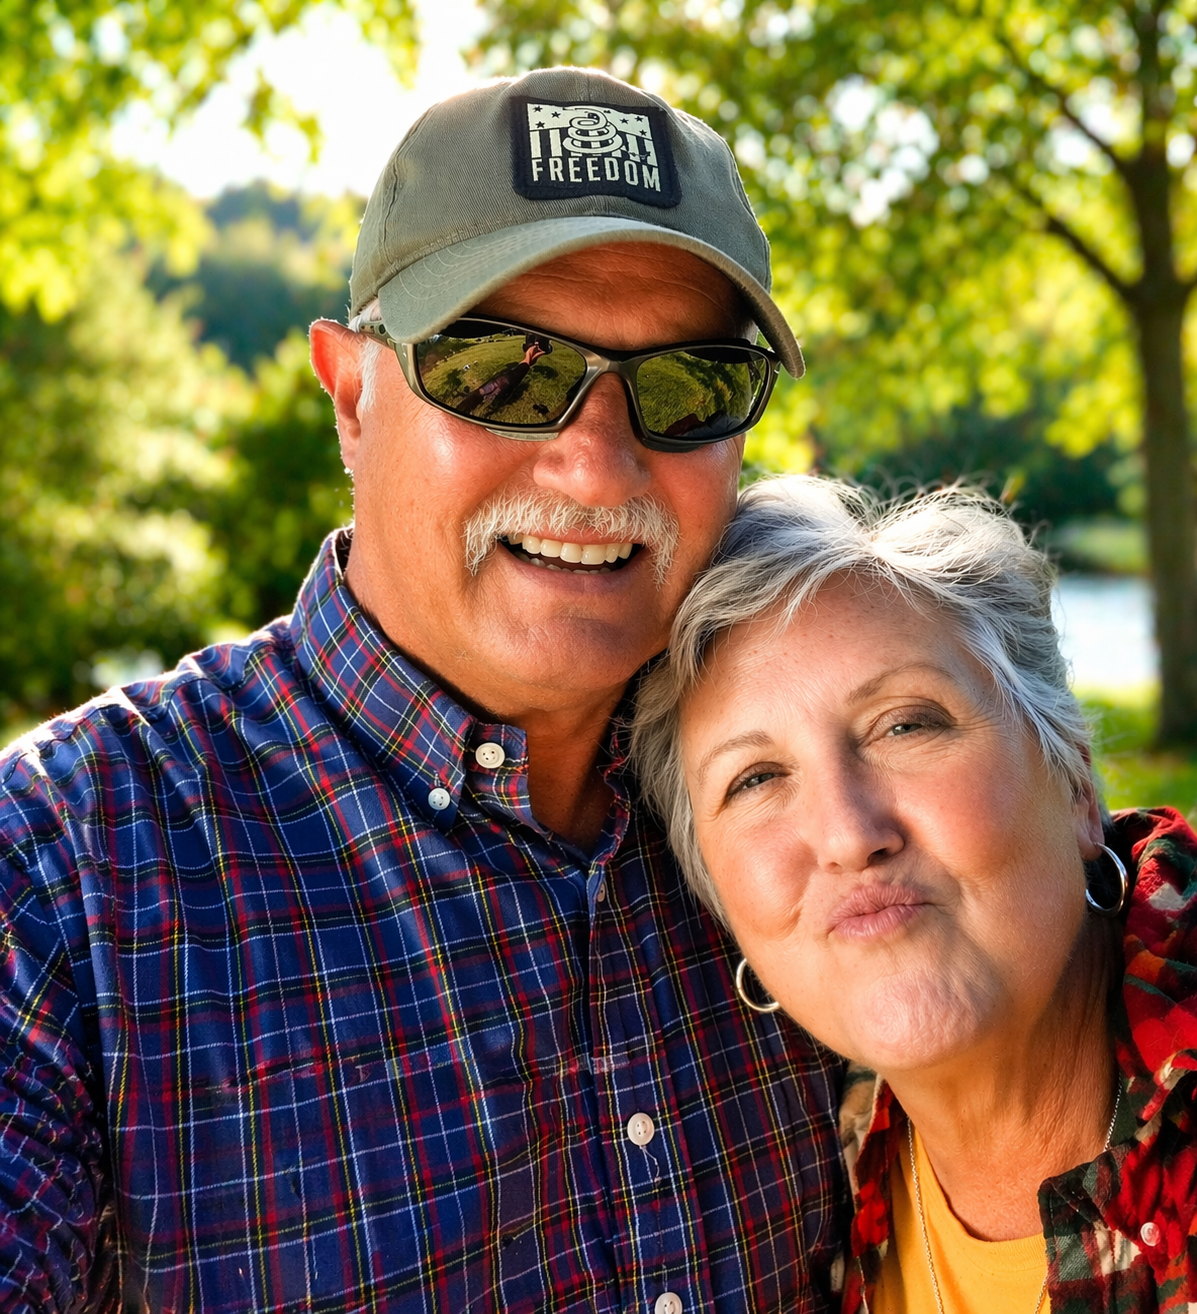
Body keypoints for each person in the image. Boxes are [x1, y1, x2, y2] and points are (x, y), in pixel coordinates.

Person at [0, 71, 846, 1311]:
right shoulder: (65, 870)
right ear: (350, 393)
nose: (597, 458)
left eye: (685, 387)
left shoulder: (815, 806)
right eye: (502, 370)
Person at [632, 474, 1197, 1312]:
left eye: (905, 724)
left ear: (1076, 784)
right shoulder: (810, 1188)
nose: (847, 834)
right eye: (754, 778)